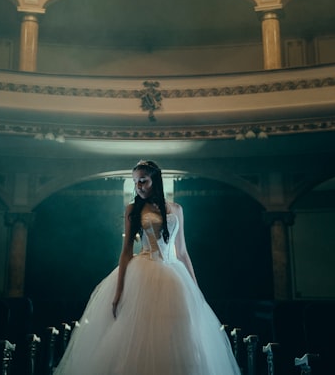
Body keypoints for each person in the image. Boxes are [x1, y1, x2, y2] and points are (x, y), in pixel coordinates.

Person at [53, 160, 241, 375]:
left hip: (174, 275)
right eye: (135, 182)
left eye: (142, 181)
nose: (138, 186)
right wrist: (118, 291)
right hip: (143, 271)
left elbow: (182, 251)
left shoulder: (177, 209)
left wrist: (195, 290)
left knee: (178, 333)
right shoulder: (133, 209)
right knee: (138, 332)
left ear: (155, 180)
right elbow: (125, 251)